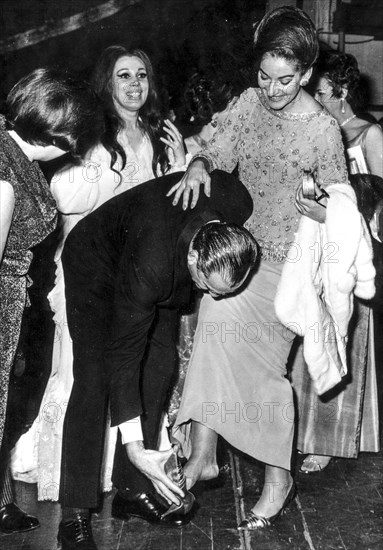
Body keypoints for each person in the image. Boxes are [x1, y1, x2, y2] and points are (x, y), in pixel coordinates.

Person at [170, 6, 350, 530]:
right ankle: (203, 454)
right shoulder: (249, 103)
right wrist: (201, 161)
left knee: (265, 372)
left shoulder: (321, 130)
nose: (271, 89)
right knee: (212, 319)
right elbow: (215, 146)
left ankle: (278, 475)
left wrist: (318, 206)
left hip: (290, 266)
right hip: (243, 256)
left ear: (308, 73)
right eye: (265, 76)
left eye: (286, 79)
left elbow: (340, 212)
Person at [10, 45, 186, 501]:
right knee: (83, 370)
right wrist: (108, 177)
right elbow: (61, 198)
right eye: (123, 75)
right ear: (107, 83)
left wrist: (182, 164)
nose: (134, 85)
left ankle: (128, 473)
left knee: (135, 363)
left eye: (141, 75)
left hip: (140, 274)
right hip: (87, 267)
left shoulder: (159, 134)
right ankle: (73, 477)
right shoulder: (88, 130)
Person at [57, 169, 257, 550]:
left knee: (161, 368)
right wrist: (134, 444)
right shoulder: (152, 267)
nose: (214, 299)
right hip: (97, 265)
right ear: (196, 257)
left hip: (162, 262)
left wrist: (199, 158)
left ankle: (131, 491)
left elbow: (218, 161)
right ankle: (74, 516)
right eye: (209, 290)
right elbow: (125, 355)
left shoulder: (236, 201)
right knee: (96, 377)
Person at [0, 68, 102, 534]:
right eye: (75, 136)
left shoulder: (14, 154)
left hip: (20, 301)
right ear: (57, 132)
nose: (78, 147)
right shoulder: (6, 177)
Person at [293, 50, 383, 473]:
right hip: (320, 244)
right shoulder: (319, 134)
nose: (317, 99)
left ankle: (336, 438)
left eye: (323, 92)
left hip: (356, 249)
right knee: (317, 333)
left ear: (343, 92)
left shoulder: (370, 135)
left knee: (346, 341)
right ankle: (309, 432)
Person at [167, 71, 239, 424]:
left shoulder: (231, 146)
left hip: (224, 262)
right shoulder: (189, 149)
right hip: (194, 266)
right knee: (188, 350)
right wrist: (181, 161)